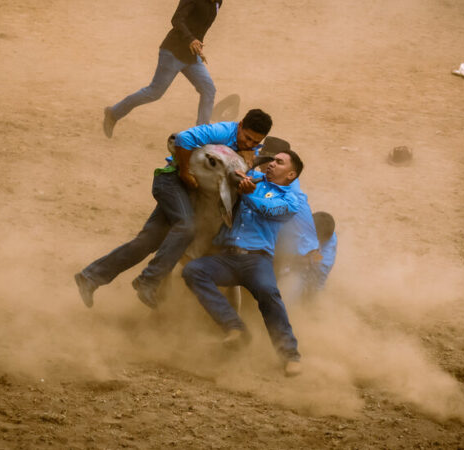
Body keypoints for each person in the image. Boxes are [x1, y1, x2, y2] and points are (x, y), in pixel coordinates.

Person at [75, 109, 272, 309]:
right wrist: (185, 172)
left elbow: (234, 176)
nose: (249, 144)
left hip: (195, 196)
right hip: (172, 182)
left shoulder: (249, 151)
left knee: (146, 241)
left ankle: (89, 277)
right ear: (239, 125)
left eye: (256, 142)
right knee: (186, 227)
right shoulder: (222, 131)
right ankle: (148, 281)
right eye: (247, 138)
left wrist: (246, 176)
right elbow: (183, 138)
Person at [182, 149, 306, 377]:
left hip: (256, 259)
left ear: (291, 175)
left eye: (279, 162)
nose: (271, 164)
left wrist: (247, 192)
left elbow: (269, 209)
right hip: (227, 256)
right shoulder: (252, 180)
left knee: (269, 294)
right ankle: (235, 327)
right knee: (193, 271)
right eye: (271, 160)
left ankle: (290, 355)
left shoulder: (290, 199)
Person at [103, 0, 223, 138]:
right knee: (154, 92)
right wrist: (190, 39)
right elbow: (177, 19)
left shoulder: (218, 1)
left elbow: (201, 26)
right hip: (173, 52)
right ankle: (113, 113)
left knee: (208, 90)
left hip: (191, 56)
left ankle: (201, 135)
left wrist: (198, 46)